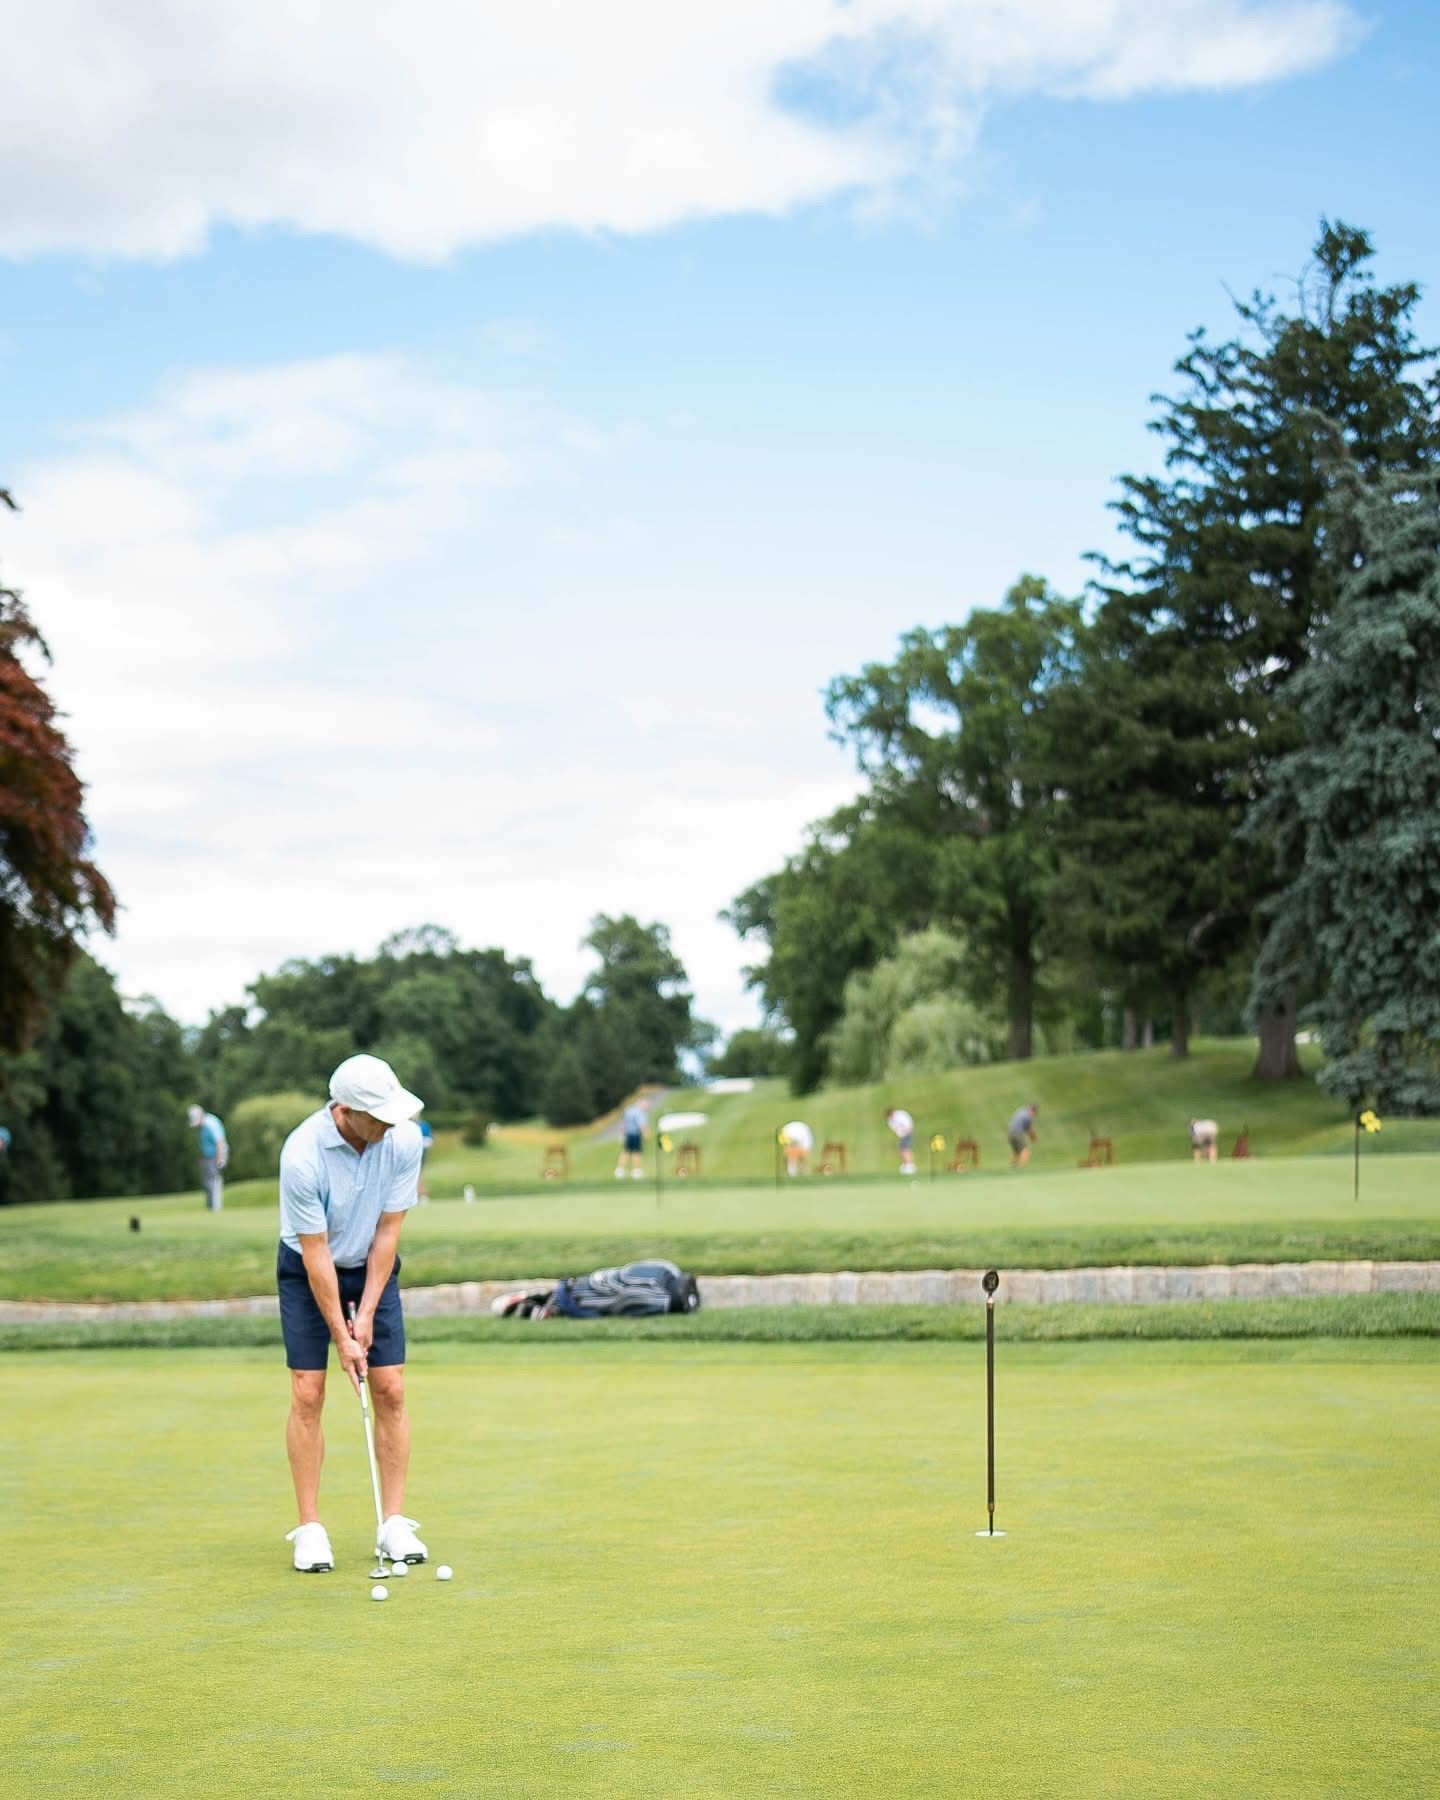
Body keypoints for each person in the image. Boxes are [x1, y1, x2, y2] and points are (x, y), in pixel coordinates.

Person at [277, 1053, 428, 1575]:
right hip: (307, 1267)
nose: (390, 1123)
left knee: (390, 1387)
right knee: (307, 1390)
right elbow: (315, 1254)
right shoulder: (302, 1156)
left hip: (371, 1264)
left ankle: (394, 1521)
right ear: (344, 1110)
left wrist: (365, 1314)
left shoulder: (402, 1140)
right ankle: (311, 1529)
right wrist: (342, 1336)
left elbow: (388, 1233)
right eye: (378, 1115)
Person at [188, 1104, 229, 1211]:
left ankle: (216, 1207)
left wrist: (221, 1159)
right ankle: (210, 1207)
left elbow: (220, 1143)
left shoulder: (211, 1123)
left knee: (214, 1181)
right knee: (206, 1182)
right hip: (207, 1157)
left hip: (216, 1156)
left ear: (201, 1115)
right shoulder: (201, 1127)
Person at [616, 1097, 648, 1180]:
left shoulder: (629, 1110)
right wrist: (646, 1134)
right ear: (641, 1103)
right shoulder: (639, 1112)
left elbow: (623, 1122)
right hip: (635, 1134)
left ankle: (620, 1170)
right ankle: (636, 1171)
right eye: (645, 1105)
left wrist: (622, 1133)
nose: (647, 1107)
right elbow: (642, 1125)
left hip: (627, 1134)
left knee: (626, 1151)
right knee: (636, 1152)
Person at [885, 1107, 917, 1175]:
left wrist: (907, 1131)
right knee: (901, 1150)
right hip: (902, 1135)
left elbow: (908, 1123)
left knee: (906, 1149)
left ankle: (910, 1166)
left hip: (908, 1133)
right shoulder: (890, 1120)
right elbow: (895, 1128)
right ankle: (906, 1165)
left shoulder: (900, 1115)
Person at [1007, 1102, 1038, 1169]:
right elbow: (1030, 1130)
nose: (1034, 1115)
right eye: (1034, 1113)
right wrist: (1034, 1138)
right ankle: (1021, 1168)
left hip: (1010, 1132)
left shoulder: (1020, 1111)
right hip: (1017, 1132)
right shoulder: (1028, 1116)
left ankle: (1013, 1167)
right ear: (1033, 1110)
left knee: (1016, 1151)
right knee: (1025, 1150)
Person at [416, 1117, 434, 1199]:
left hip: (421, 1154)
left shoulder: (423, 1125)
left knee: (419, 1174)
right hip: (408, 1154)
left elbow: (429, 1140)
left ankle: (421, 1195)